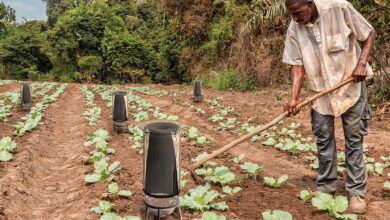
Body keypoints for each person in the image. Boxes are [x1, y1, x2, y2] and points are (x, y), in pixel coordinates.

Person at [282, 0, 376, 214]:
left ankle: (356, 193)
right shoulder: (294, 27)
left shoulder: (338, 7)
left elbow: (368, 33)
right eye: (291, 14)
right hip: (319, 93)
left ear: (309, 4)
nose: (294, 18)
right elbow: (297, 64)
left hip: (349, 87)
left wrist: (361, 64)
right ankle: (326, 187)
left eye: (296, 12)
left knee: (354, 141)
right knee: (324, 141)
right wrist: (293, 98)